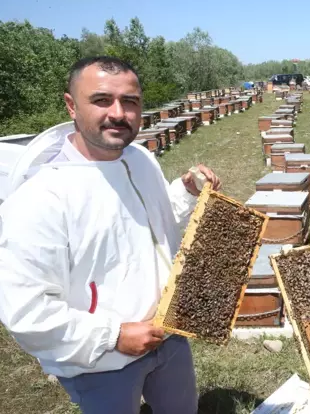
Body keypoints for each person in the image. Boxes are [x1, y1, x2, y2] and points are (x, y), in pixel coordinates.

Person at [0, 56, 222, 414]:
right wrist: (113, 336)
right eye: (102, 100)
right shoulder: (40, 198)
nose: (118, 113)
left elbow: (150, 225)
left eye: (130, 101)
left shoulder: (139, 160)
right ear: (71, 105)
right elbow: (26, 311)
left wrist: (183, 193)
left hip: (169, 332)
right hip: (100, 361)